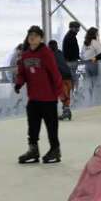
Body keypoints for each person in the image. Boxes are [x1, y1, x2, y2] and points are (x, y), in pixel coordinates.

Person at [15, 26, 63, 164]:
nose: (32, 37)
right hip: (34, 98)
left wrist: (60, 92)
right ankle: (33, 150)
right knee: (33, 126)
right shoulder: (25, 54)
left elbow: (55, 74)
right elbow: (22, 73)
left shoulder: (46, 53)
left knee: (51, 126)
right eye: (30, 35)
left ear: (41, 38)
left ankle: (55, 149)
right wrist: (19, 83)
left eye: (36, 35)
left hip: (48, 98)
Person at [49, 39, 75, 121]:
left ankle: (66, 112)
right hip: (69, 75)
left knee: (63, 95)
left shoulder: (50, 55)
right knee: (66, 94)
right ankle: (66, 112)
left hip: (61, 77)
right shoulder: (60, 53)